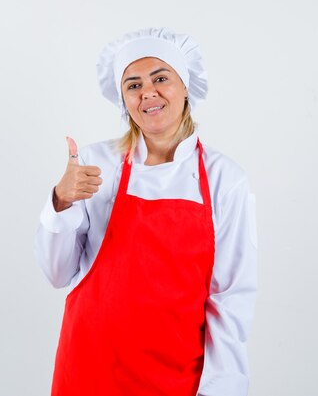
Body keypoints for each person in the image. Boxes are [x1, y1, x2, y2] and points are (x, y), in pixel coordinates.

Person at [34, 27, 257, 396]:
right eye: (133, 85)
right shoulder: (94, 164)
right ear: (123, 100)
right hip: (89, 370)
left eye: (160, 78)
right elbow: (57, 274)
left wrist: (222, 389)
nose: (148, 92)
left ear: (185, 86)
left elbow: (230, 298)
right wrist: (61, 201)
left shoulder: (224, 179)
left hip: (176, 377)